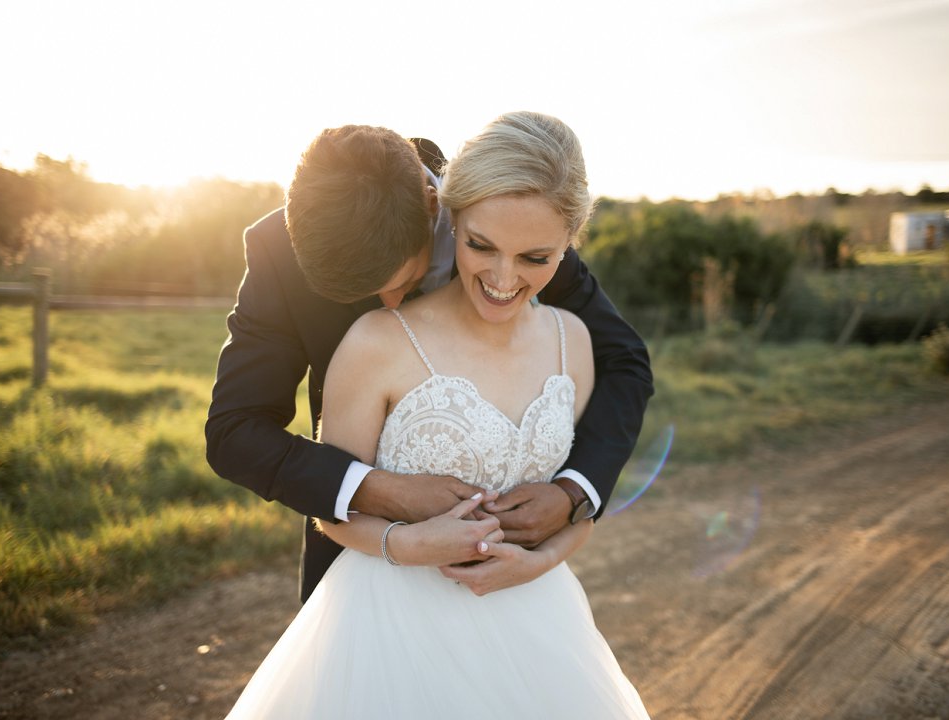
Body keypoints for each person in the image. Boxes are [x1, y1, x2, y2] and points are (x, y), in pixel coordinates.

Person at [225, 111, 649, 718]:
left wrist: (573, 493)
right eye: (367, 295)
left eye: (402, 279)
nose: (389, 303)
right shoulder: (284, 250)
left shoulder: (509, 213)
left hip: (521, 605)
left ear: (437, 207)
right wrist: (380, 491)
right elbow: (235, 431)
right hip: (372, 583)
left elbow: (624, 361)